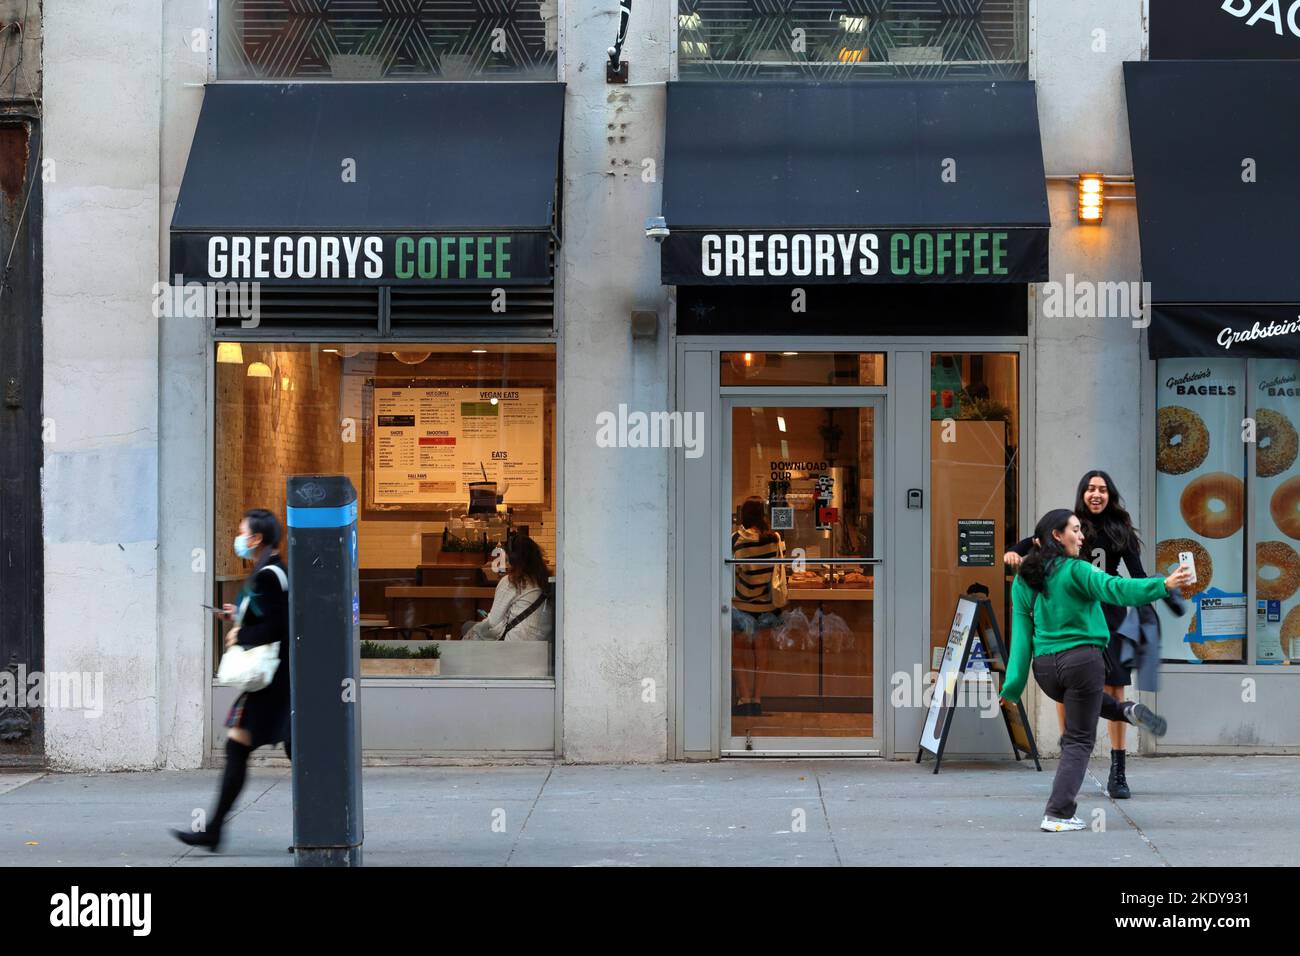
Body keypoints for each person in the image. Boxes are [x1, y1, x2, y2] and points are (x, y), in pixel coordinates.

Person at [1000, 509, 1191, 833]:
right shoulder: (1077, 570)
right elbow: (1118, 590)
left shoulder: (1024, 579)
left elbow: (1020, 642)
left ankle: (1126, 710)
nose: (1082, 536)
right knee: (1078, 740)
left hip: (1046, 671)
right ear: (1057, 536)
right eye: (1075, 530)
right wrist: (1164, 584)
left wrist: (1011, 691)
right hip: (1082, 663)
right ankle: (1058, 813)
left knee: (1084, 702)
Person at [173, 509, 290, 852]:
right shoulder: (271, 570)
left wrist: (241, 635)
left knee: (263, 748)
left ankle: (214, 831)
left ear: (255, 539)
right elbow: (269, 617)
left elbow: (278, 627)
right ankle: (214, 830)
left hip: (275, 683)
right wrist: (235, 615)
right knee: (260, 747)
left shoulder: (269, 574)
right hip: (275, 683)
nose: (238, 538)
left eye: (242, 533)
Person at [731, 496, 784, 717]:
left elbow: (731, 570)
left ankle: (744, 699)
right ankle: (757, 699)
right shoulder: (774, 538)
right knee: (762, 655)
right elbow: (780, 569)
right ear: (763, 514)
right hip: (766, 605)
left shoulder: (735, 539)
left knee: (738, 653)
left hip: (742, 605)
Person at [463, 532, 552, 642]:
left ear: (511, 559)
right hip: (543, 646)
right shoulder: (544, 581)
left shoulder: (511, 581)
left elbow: (493, 623)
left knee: (467, 626)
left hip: (514, 646)